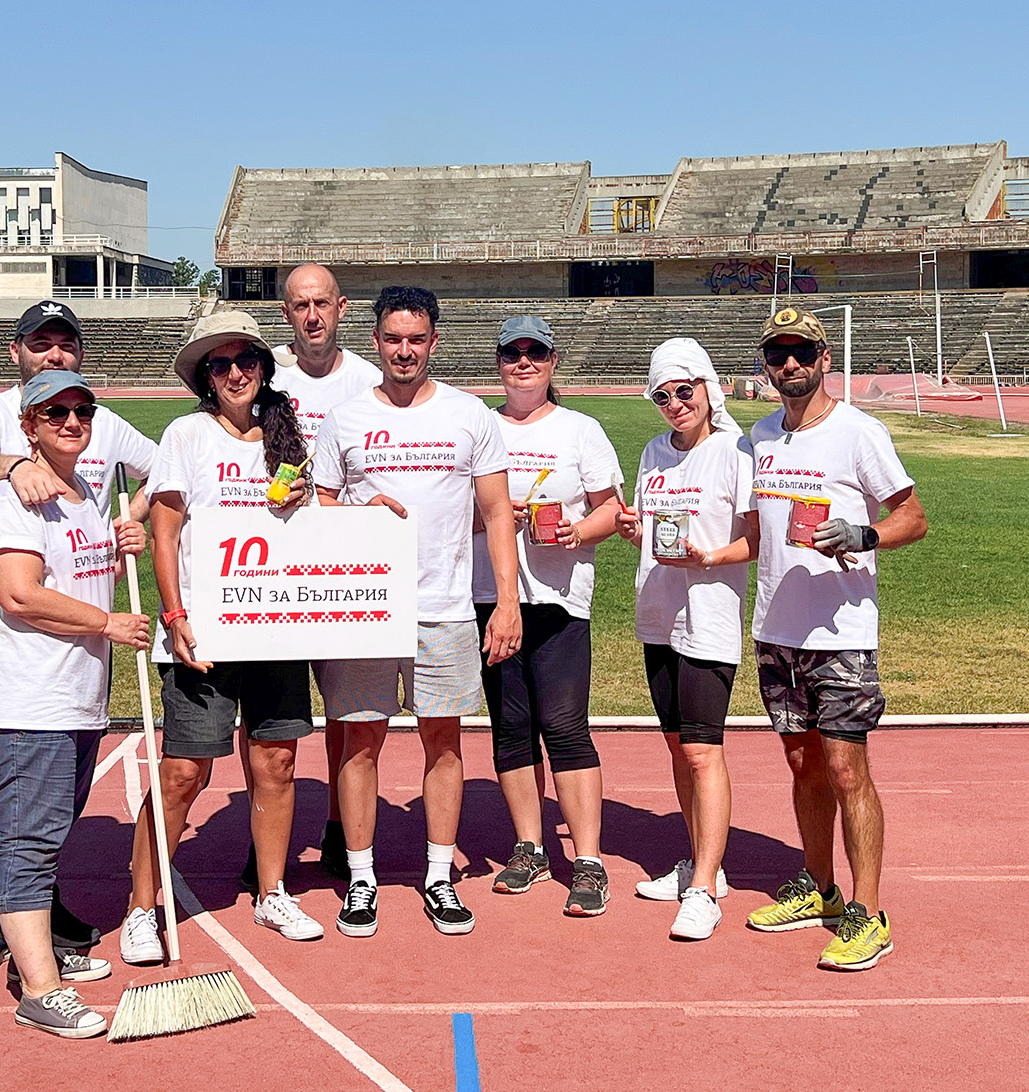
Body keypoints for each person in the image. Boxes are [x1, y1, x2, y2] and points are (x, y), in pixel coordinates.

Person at [0, 300, 156, 982]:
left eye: (66, 344)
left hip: (79, 658)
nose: (55, 354)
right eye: (41, 343)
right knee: (12, 788)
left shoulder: (93, 449)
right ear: (17, 352)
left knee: (52, 801)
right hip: (17, 643)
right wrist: (15, 467)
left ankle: (35, 913)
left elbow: (157, 472)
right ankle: (4, 920)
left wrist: (127, 522)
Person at [313, 286, 523, 937]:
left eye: (416, 339)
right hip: (364, 610)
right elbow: (319, 508)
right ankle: (362, 878)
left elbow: (497, 513)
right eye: (393, 339)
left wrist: (507, 602)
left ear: (434, 342)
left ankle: (438, 876)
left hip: (445, 607)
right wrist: (359, 511)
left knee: (444, 742)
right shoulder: (344, 419)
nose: (404, 351)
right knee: (359, 742)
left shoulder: (469, 415)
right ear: (375, 340)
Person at [123, 311, 325, 961]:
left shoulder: (288, 435)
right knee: (184, 771)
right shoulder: (186, 435)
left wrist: (331, 508)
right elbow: (165, 533)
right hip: (202, 634)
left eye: (246, 360)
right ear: (206, 377)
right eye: (221, 363)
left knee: (277, 763)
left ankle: (271, 892)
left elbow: (309, 528)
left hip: (275, 629)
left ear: (264, 367)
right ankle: (141, 907)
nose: (236, 373)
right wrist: (174, 615)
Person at [743, 306, 927, 971]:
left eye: (801, 351)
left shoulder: (859, 432)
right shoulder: (760, 436)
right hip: (777, 628)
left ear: (824, 359)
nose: (789, 363)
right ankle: (818, 887)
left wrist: (864, 534)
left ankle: (868, 913)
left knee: (849, 770)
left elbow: (913, 516)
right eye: (777, 354)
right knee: (804, 766)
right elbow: (753, 530)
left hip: (841, 632)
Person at [471, 316, 622, 917]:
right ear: (499, 363)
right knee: (511, 726)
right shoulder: (479, 427)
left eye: (535, 352)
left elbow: (611, 510)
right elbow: (457, 510)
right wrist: (493, 514)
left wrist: (575, 533)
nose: (524, 362)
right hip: (490, 597)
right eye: (512, 353)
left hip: (559, 600)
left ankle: (588, 859)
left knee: (563, 725)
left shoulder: (580, 430)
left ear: (553, 361)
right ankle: (530, 847)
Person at [239, 262, 382, 891]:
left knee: (346, 707)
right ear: (286, 312)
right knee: (265, 714)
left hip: (345, 561)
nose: (313, 315)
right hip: (274, 561)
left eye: (322, 303)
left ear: (342, 308)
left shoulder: (369, 380)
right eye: (300, 305)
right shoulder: (263, 374)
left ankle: (337, 827)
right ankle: (262, 835)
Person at [615, 337, 756, 942]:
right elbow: (649, 530)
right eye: (662, 396)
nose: (675, 404)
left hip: (709, 619)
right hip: (659, 615)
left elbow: (757, 538)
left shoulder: (735, 451)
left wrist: (710, 558)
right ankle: (702, 861)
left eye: (684, 390)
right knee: (677, 748)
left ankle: (703, 890)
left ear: (707, 387)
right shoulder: (653, 452)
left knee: (703, 752)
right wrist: (632, 530)